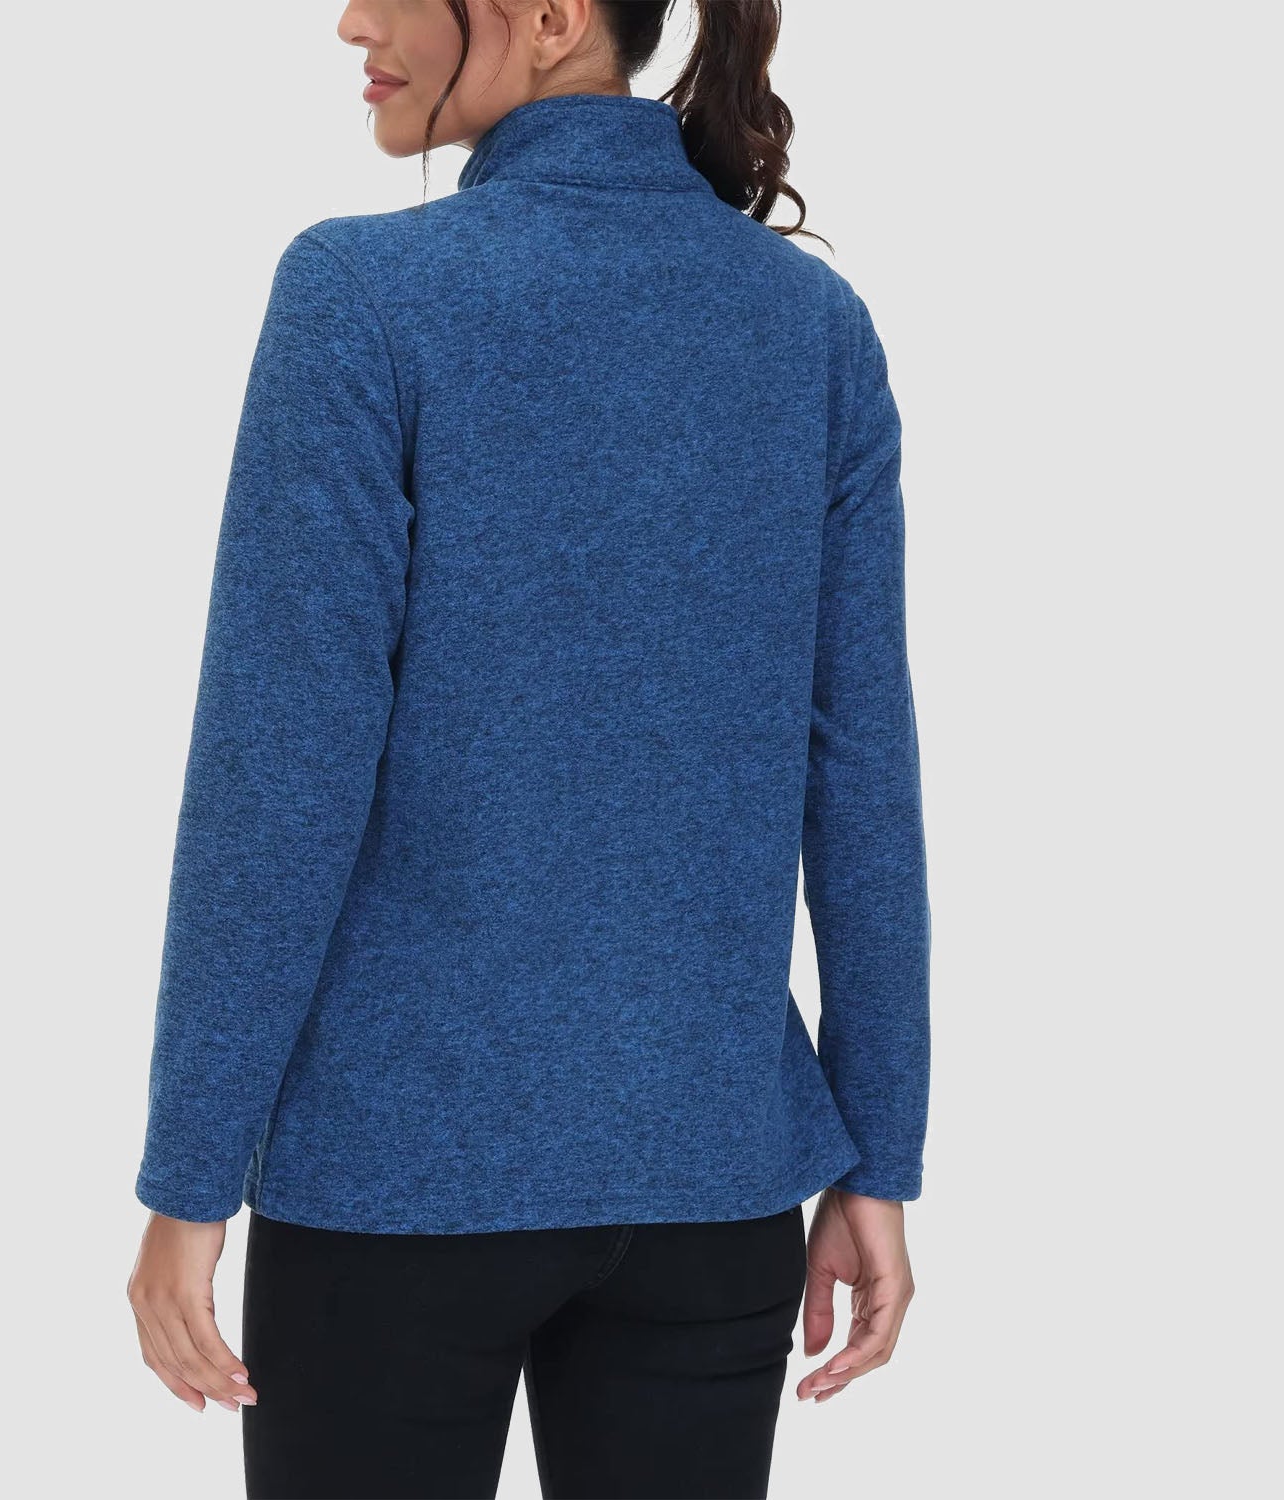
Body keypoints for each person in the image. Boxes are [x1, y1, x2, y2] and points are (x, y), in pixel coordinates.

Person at [126, 1, 931, 1496]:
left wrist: (189, 1176)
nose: (352, 21)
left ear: (552, 18)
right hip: (713, 1183)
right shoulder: (811, 325)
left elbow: (277, 781)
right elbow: (863, 774)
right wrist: (877, 1155)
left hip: (395, 1184)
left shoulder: (363, 294)